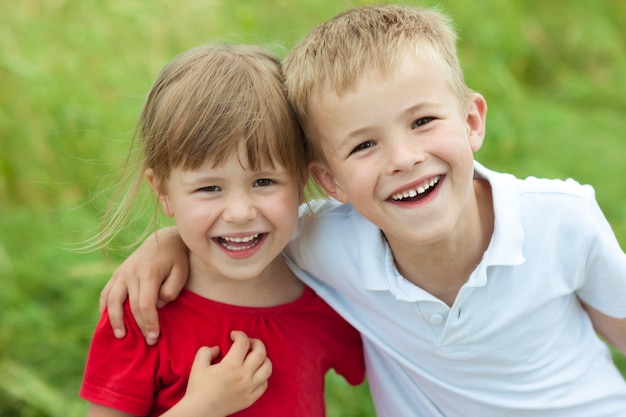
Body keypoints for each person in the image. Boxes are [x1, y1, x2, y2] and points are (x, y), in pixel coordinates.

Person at [101, 5, 626, 417]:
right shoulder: (323, 245)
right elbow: (250, 225)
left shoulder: (563, 219)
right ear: (329, 181)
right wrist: (166, 240)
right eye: (363, 146)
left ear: (471, 120)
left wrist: (166, 239)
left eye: (422, 121)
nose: (403, 158)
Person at [79, 43, 365, 417]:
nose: (240, 212)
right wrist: (200, 409)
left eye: (264, 181)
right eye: (209, 188)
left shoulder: (330, 291)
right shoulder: (141, 308)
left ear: (301, 178)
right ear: (164, 193)